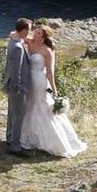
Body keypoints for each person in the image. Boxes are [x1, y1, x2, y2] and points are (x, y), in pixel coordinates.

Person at [18, 25, 87, 158]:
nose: (34, 35)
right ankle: (31, 137)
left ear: (43, 38)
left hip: (39, 80)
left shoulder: (47, 51)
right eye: (35, 32)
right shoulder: (30, 42)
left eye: (38, 34)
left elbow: (50, 71)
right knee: (30, 105)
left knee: (41, 106)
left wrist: (54, 89)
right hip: (28, 79)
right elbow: (15, 35)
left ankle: (52, 141)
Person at [3, 18, 32, 155]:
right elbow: (16, 71)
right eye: (29, 29)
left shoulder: (14, 41)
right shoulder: (18, 48)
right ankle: (15, 145)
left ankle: (9, 137)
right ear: (24, 30)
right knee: (18, 115)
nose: (30, 32)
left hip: (11, 84)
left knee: (12, 113)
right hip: (17, 86)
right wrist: (20, 87)